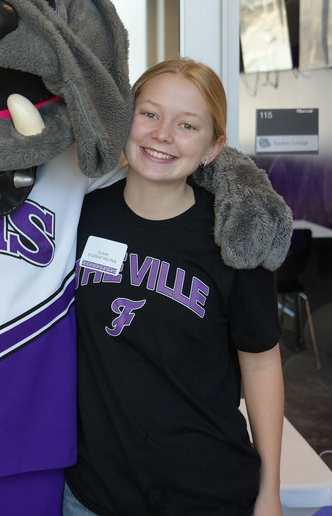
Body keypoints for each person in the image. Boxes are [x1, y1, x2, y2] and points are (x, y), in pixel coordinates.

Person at [65, 59, 284, 516]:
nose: (162, 135)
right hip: (93, 493)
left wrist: (270, 492)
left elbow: (262, 367)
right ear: (125, 117)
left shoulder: (234, 238)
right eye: (149, 114)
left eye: (187, 125)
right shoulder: (77, 219)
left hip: (207, 492)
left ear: (212, 148)